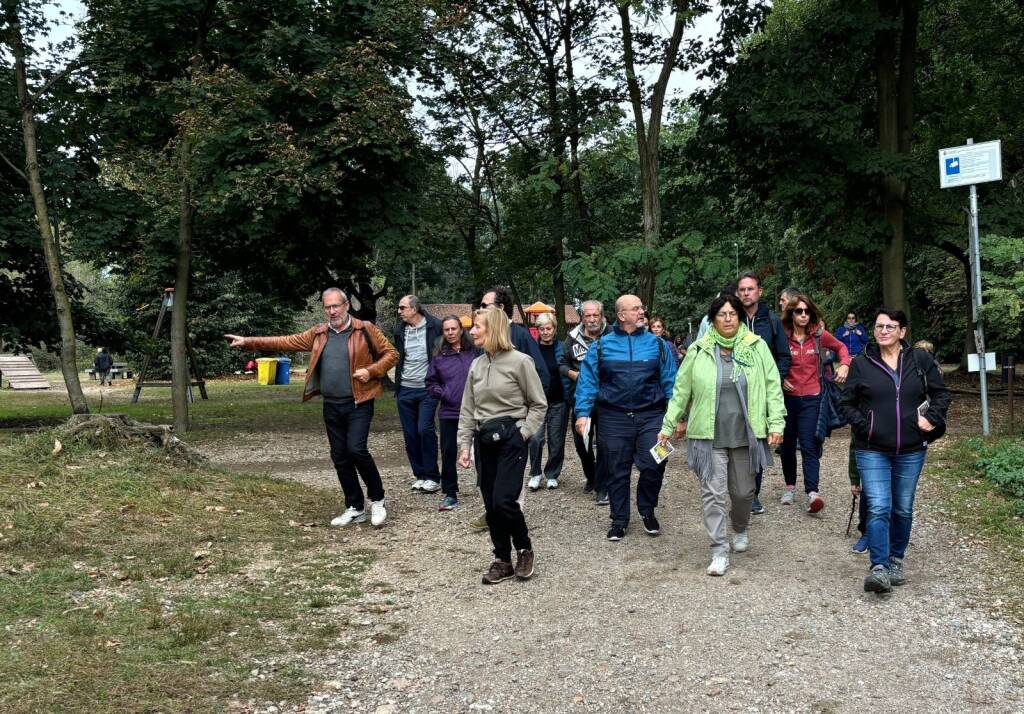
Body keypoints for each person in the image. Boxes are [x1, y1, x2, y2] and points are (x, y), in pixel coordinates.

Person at [224, 288, 399, 528]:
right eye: (327, 307)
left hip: (359, 401)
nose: (332, 311)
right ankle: (355, 507)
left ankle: (377, 499)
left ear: (346, 305)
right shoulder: (318, 334)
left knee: (356, 449)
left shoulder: (365, 329)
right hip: (332, 404)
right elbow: (285, 341)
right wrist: (248, 342)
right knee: (339, 456)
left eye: (336, 306)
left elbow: (391, 353)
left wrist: (372, 371)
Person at [659, 294, 785, 576]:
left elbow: (772, 385)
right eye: (722, 314)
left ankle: (739, 527)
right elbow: (681, 391)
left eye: (732, 314)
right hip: (708, 435)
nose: (727, 319)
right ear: (713, 319)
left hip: (745, 433)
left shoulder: (757, 346)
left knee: (743, 492)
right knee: (713, 494)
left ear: (739, 317)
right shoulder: (698, 350)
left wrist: (776, 423)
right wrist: (668, 426)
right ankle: (718, 550)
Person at [839, 307, 950, 593]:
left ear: (902, 331)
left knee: (902, 507)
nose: (883, 331)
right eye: (879, 327)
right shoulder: (862, 363)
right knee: (878, 505)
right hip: (871, 448)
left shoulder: (920, 360)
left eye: (890, 327)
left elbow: (941, 394)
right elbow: (846, 403)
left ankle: (896, 558)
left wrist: (932, 418)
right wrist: (865, 426)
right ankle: (879, 566)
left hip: (912, 448)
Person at [573, 295, 677, 541]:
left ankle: (647, 509)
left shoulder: (658, 346)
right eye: (637, 308)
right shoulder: (601, 347)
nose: (642, 312)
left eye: (642, 307)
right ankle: (619, 519)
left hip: (652, 416)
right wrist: (582, 413)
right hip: (613, 417)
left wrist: (676, 417)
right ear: (621, 315)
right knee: (616, 470)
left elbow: (672, 382)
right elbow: (588, 381)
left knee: (656, 462)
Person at [457, 308, 547, 584]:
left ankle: (524, 549)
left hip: (511, 439)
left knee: (503, 500)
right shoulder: (477, 365)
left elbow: (539, 404)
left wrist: (523, 433)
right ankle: (502, 559)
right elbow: (467, 409)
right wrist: (464, 444)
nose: (471, 332)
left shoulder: (520, 362)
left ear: (493, 329)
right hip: (485, 442)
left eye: (477, 327)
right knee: (491, 504)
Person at [467, 288, 550, 531]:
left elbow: (540, 377)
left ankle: (513, 516)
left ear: (501, 309)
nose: (481, 309)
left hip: (512, 425)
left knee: (511, 475)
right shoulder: (480, 343)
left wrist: (523, 425)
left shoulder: (521, 337)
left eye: (486, 305)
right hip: (485, 426)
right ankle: (493, 511)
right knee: (486, 474)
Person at [778, 292, 851, 512]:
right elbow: (768, 360)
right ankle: (790, 486)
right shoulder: (782, 335)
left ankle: (812, 493)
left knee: (810, 445)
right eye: (798, 311)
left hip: (812, 397)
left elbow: (841, 348)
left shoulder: (818, 335)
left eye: (807, 311)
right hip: (786, 400)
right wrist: (780, 379)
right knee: (787, 445)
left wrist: (845, 364)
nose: (803, 315)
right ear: (791, 313)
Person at [735, 272, 792, 515]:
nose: (746, 293)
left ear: (759, 291)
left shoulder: (771, 321)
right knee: (735, 443)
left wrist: (773, 382)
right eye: (742, 289)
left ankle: (753, 494)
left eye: (751, 289)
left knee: (756, 443)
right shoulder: (730, 319)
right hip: (734, 392)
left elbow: (784, 356)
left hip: (762, 395)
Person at [560, 300, 612, 502]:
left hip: (607, 399)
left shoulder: (612, 335)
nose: (591, 319)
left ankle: (602, 486)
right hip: (581, 399)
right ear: (582, 317)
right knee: (583, 443)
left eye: (595, 315)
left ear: (601, 316)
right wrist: (575, 375)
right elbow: (562, 365)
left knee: (606, 444)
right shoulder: (572, 338)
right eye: (587, 316)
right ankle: (591, 476)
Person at [425, 315, 477, 511]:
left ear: (461, 329)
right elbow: (430, 382)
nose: (450, 333)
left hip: (476, 411)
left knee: (481, 451)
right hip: (450, 412)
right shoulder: (439, 355)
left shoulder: (475, 351)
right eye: (446, 330)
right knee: (448, 453)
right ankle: (450, 492)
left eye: (454, 329)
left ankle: (486, 489)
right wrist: (444, 393)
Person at [393, 295, 443, 494]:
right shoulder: (400, 330)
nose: (399, 311)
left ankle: (433, 476)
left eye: (402, 307)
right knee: (410, 434)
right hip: (405, 389)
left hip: (427, 389)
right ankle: (420, 475)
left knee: (424, 429)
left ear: (414, 309)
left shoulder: (435, 326)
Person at [527, 312, 571, 491]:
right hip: (537, 402)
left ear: (554, 329)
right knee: (535, 438)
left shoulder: (563, 348)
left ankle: (552, 473)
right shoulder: (532, 350)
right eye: (542, 329)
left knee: (556, 440)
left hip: (559, 400)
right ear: (537, 331)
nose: (545, 332)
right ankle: (535, 473)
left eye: (548, 328)